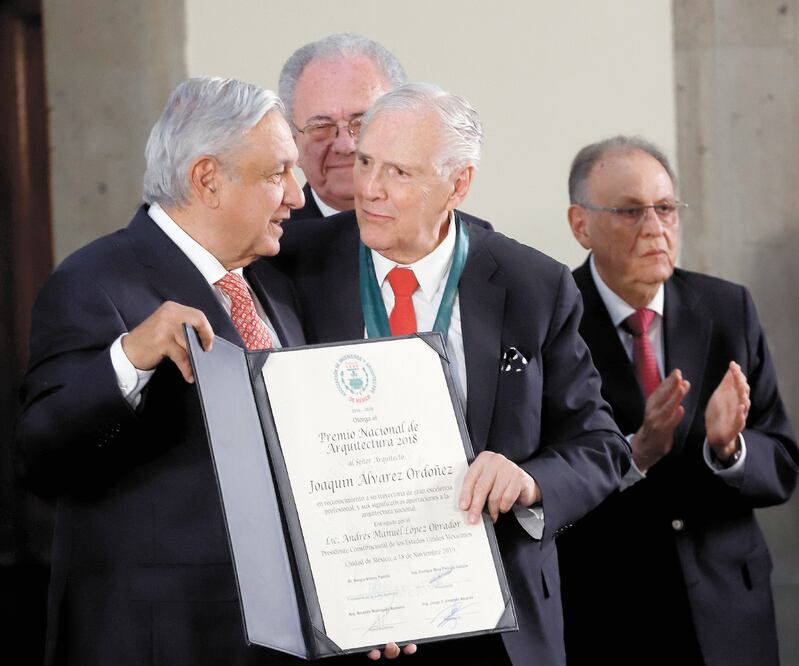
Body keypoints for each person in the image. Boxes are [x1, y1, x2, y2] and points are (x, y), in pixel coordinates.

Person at [272, 83, 631, 665]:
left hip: (495, 625)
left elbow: (599, 447)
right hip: (346, 619)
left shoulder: (532, 284)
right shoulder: (292, 265)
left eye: (399, 172)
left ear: (458, 184)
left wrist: (527, 479)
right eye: (365, 161)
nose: (368, 188)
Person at [15, 77, 313, 665]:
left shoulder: (275, 285)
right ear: (208, 179)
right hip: (159, 642)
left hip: (282, 640)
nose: (298, 196)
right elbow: (40, 455)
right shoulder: (92, 281)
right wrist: (125, 361)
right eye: (277, 173)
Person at [558, 136, 799, 666]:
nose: (655, 228)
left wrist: (728, 448)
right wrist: (635, 452)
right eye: (629, 211)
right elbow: (544, 484)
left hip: (729, 609)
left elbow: (781, 465)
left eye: (665, 208)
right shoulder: (553, 318)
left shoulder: (727, 306)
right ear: (581, 225)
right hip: (610, 613)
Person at [278, 32, 405, 219]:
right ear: (293, 142)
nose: (346, 146)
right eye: (321, 126)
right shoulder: (269, 244)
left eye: (363, 123)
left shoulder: (452, 236)